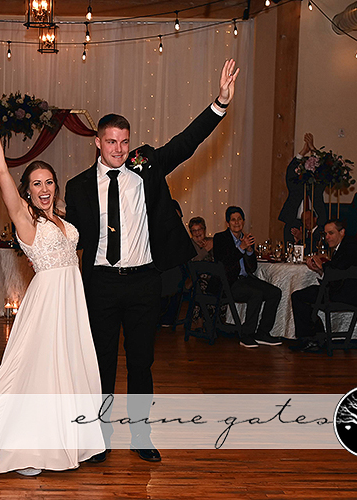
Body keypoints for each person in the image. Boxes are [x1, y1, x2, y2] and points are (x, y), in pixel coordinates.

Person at [65, 59, 239, 463]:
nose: (119, 149)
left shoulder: (145, 166)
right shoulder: (77, 187)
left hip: (144, 282)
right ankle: (100, 438)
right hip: (101, 284)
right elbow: (71, 236)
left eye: (124, 142)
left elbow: (185, 142)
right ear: (97, 142)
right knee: (103, 365)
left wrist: (220, 103)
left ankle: (141, 436)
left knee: (142, 363)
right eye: (111, 142)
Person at [0, 100, 105, 476]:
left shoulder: (62, 217)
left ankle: (66, 440)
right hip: (47, 303)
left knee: (67, 370)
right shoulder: (26, 219)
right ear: (27, 191)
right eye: (36, 184)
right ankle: (25, 447)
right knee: (38, 372)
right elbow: (0, 171)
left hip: (71, 301)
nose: (44, 188)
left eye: (48, 182)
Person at [290, 219, 357, 353]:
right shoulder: (347, 245)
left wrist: (322, 265)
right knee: (305, 296)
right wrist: (319, 269)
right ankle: (317, 337)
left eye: (331, 233)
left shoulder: (349, 247)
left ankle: (310, 339)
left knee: (298, 297)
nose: (327, 237)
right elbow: (339, 272)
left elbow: (338, 270)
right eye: (326, 234)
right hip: (344, 292)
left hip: (344, 295)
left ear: (342, 232)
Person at [213, 206, 282, 348]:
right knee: (256, 294)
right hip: (228, 283)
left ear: (243, 221)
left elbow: (252, 268)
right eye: (233, 220)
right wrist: (241, 248)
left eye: (239, 219)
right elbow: (223, 264)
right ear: (227, 223)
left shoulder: (247, 239)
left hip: (246, 279)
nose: (236, 222)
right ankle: (247, 335)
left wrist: (250, 251)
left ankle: (262, 333)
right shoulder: (220, 238)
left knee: (275, 292)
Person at [279, 133, 328, 244]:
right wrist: (303, 151)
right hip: (294, 221)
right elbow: (290, 172)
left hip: (316, 223)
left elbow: (325, 170)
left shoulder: (317, 188)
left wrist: (313, 149)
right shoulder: (295, 187)